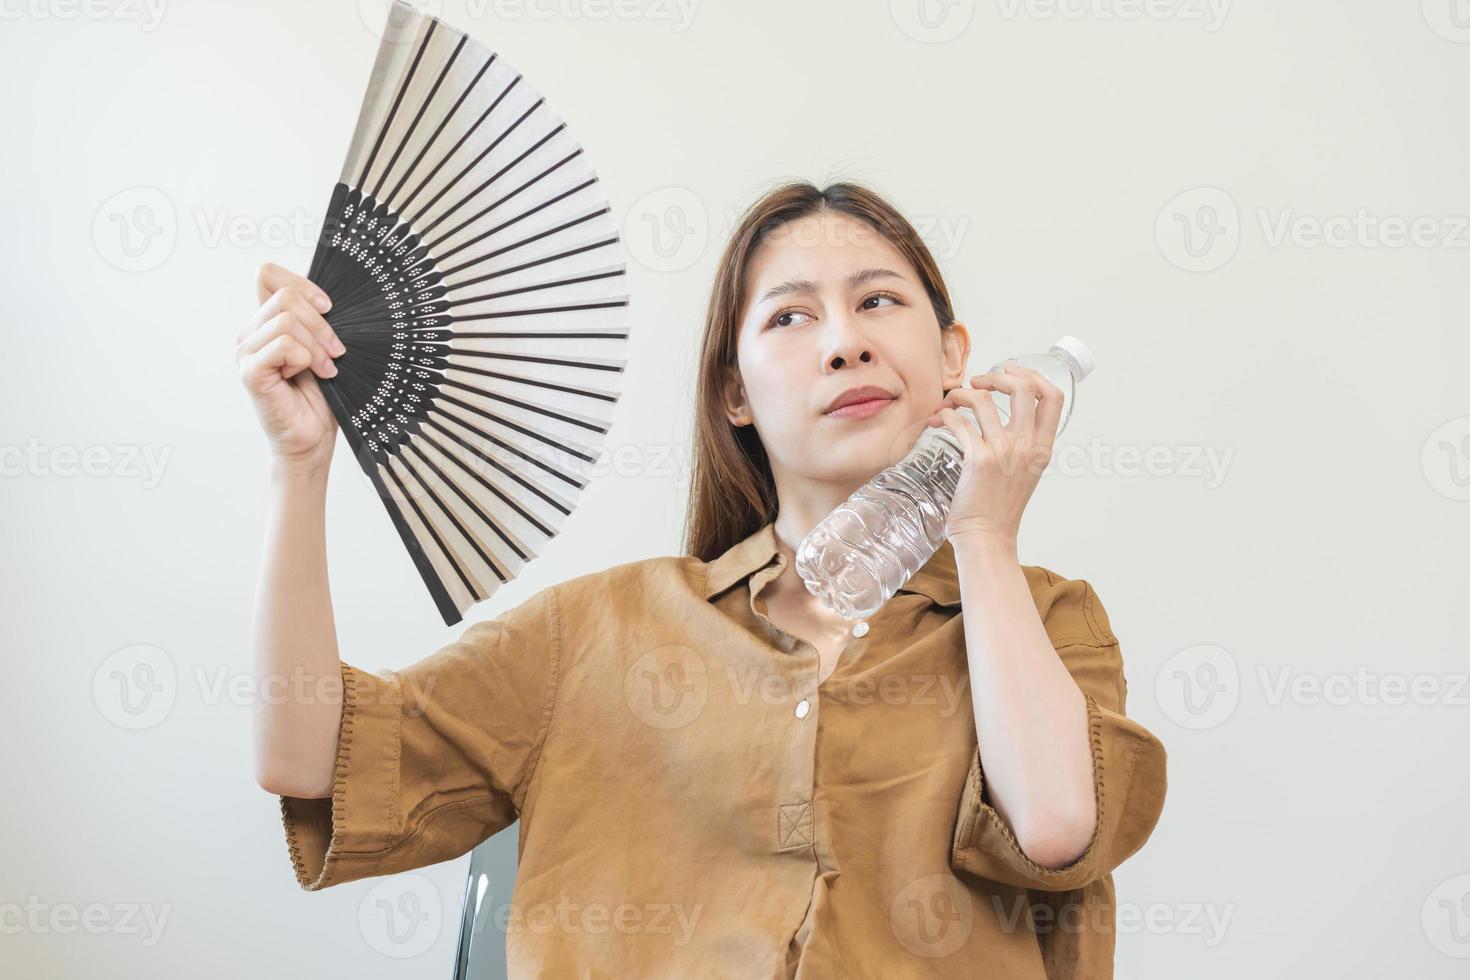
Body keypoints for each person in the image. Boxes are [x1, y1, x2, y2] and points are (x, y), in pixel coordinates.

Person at [238, 179, 1167, 978]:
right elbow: (308, 757)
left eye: (879, 301)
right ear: (735, 393)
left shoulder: (1049, 620)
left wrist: (983, 537)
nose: (844, 342)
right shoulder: (596, 630)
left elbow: (1053, 831)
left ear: (955, 357)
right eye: (791, 316)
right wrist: (300, 465)